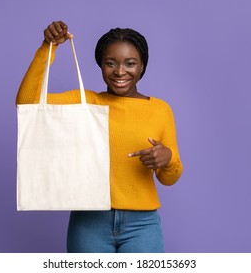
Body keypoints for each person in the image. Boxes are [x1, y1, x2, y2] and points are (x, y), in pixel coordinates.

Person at [16, 21, 183, 253]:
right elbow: (27, 104)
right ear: (101, 66)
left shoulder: (160, 110)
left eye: (130, 63)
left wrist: (168, 158)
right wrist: (48, 47)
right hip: (89, 222)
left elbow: (169, 178)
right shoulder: (87, 102)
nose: (120, 71)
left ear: (142, 66)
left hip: (142, 224)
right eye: (110, 63)